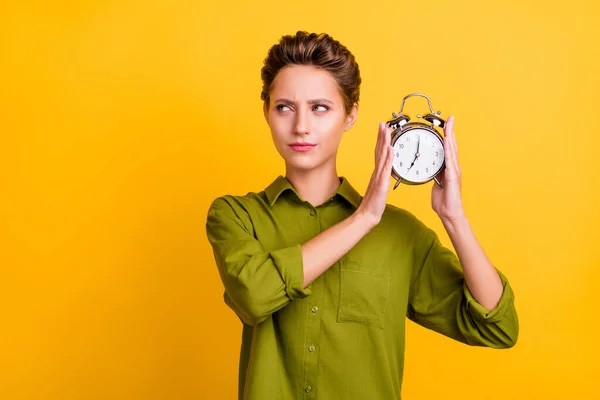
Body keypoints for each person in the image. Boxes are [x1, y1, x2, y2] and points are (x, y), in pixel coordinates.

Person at [205, 31, 518, 400]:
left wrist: (455, 218)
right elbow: (254, 295)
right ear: (267, 113)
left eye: (320, 107)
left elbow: (497, 326)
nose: (301, 126)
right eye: (285, 107)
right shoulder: (235, 216)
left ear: (350, 115)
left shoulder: (401, 234)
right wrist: (364, 218)